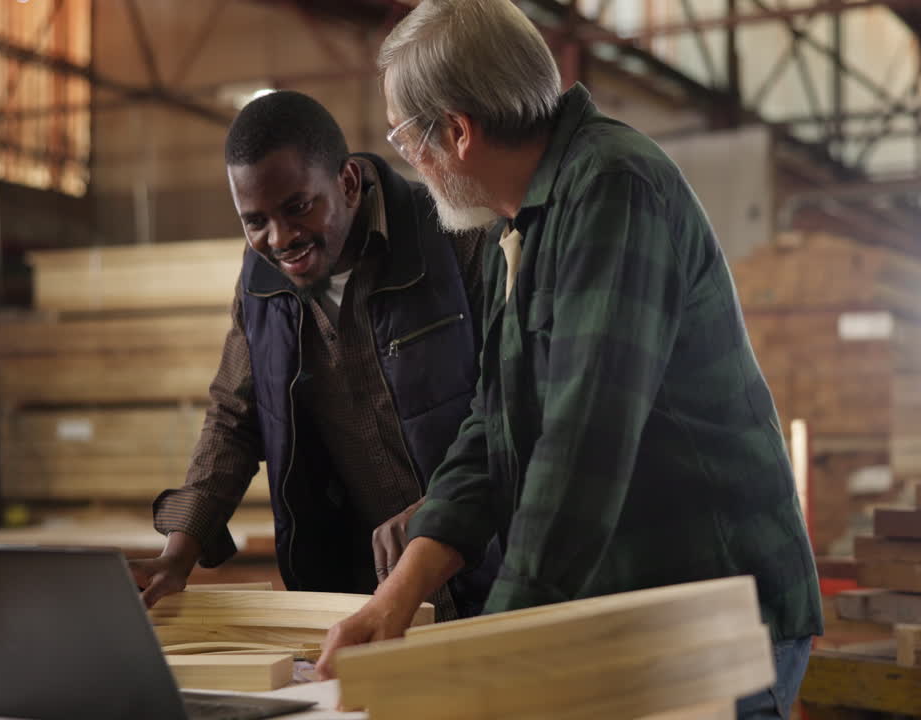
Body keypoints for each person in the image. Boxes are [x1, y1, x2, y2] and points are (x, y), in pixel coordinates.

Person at [317, 2, 823, 717]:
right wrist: (396, 598)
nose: (410, 162)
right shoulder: (518, 231)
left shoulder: (614, 189)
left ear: (457, 132)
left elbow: (582, 445)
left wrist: (499, 654)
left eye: (404, 137)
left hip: (719, 611)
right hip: (635, 609)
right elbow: (491, 431)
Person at [129, 90, 498, 621]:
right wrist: (177, 555)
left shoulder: (452, 236)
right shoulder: (258, 286)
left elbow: (509, 408)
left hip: (486, 578)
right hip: (349, 595)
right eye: (254, 221)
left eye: (298, 208)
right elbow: (233, 419)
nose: (280, 239)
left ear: (347, 182)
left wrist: (444, 509)